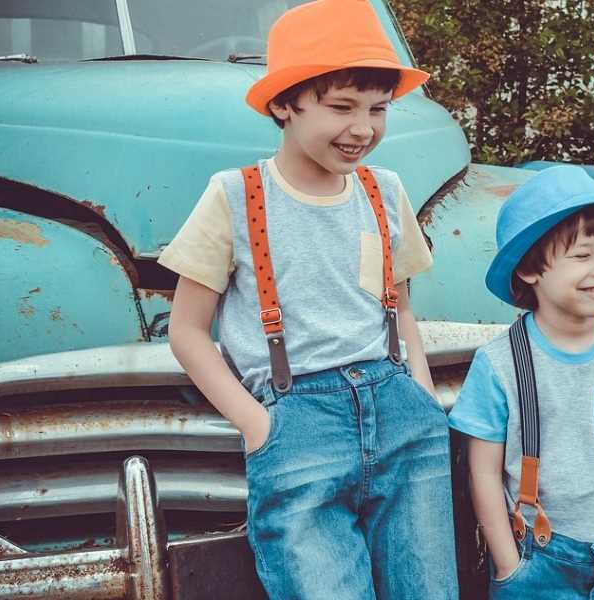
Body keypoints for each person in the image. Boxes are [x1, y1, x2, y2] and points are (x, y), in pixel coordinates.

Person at [159, 1, 457, 597]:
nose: (363, 128)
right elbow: (186, 330)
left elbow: (398, 303)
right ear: (283, 103)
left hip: (401, 411)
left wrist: (423, 393)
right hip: (297, 421)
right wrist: (256, 426)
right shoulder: (236, 195)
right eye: (341, 107)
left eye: (378, 109)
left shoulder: (384, 190)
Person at [449, 165, 594, 598]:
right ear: (531, 269)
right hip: (538, 562)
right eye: (582, 255)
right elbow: (483, 473)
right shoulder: (501, 364)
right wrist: (508, 566)